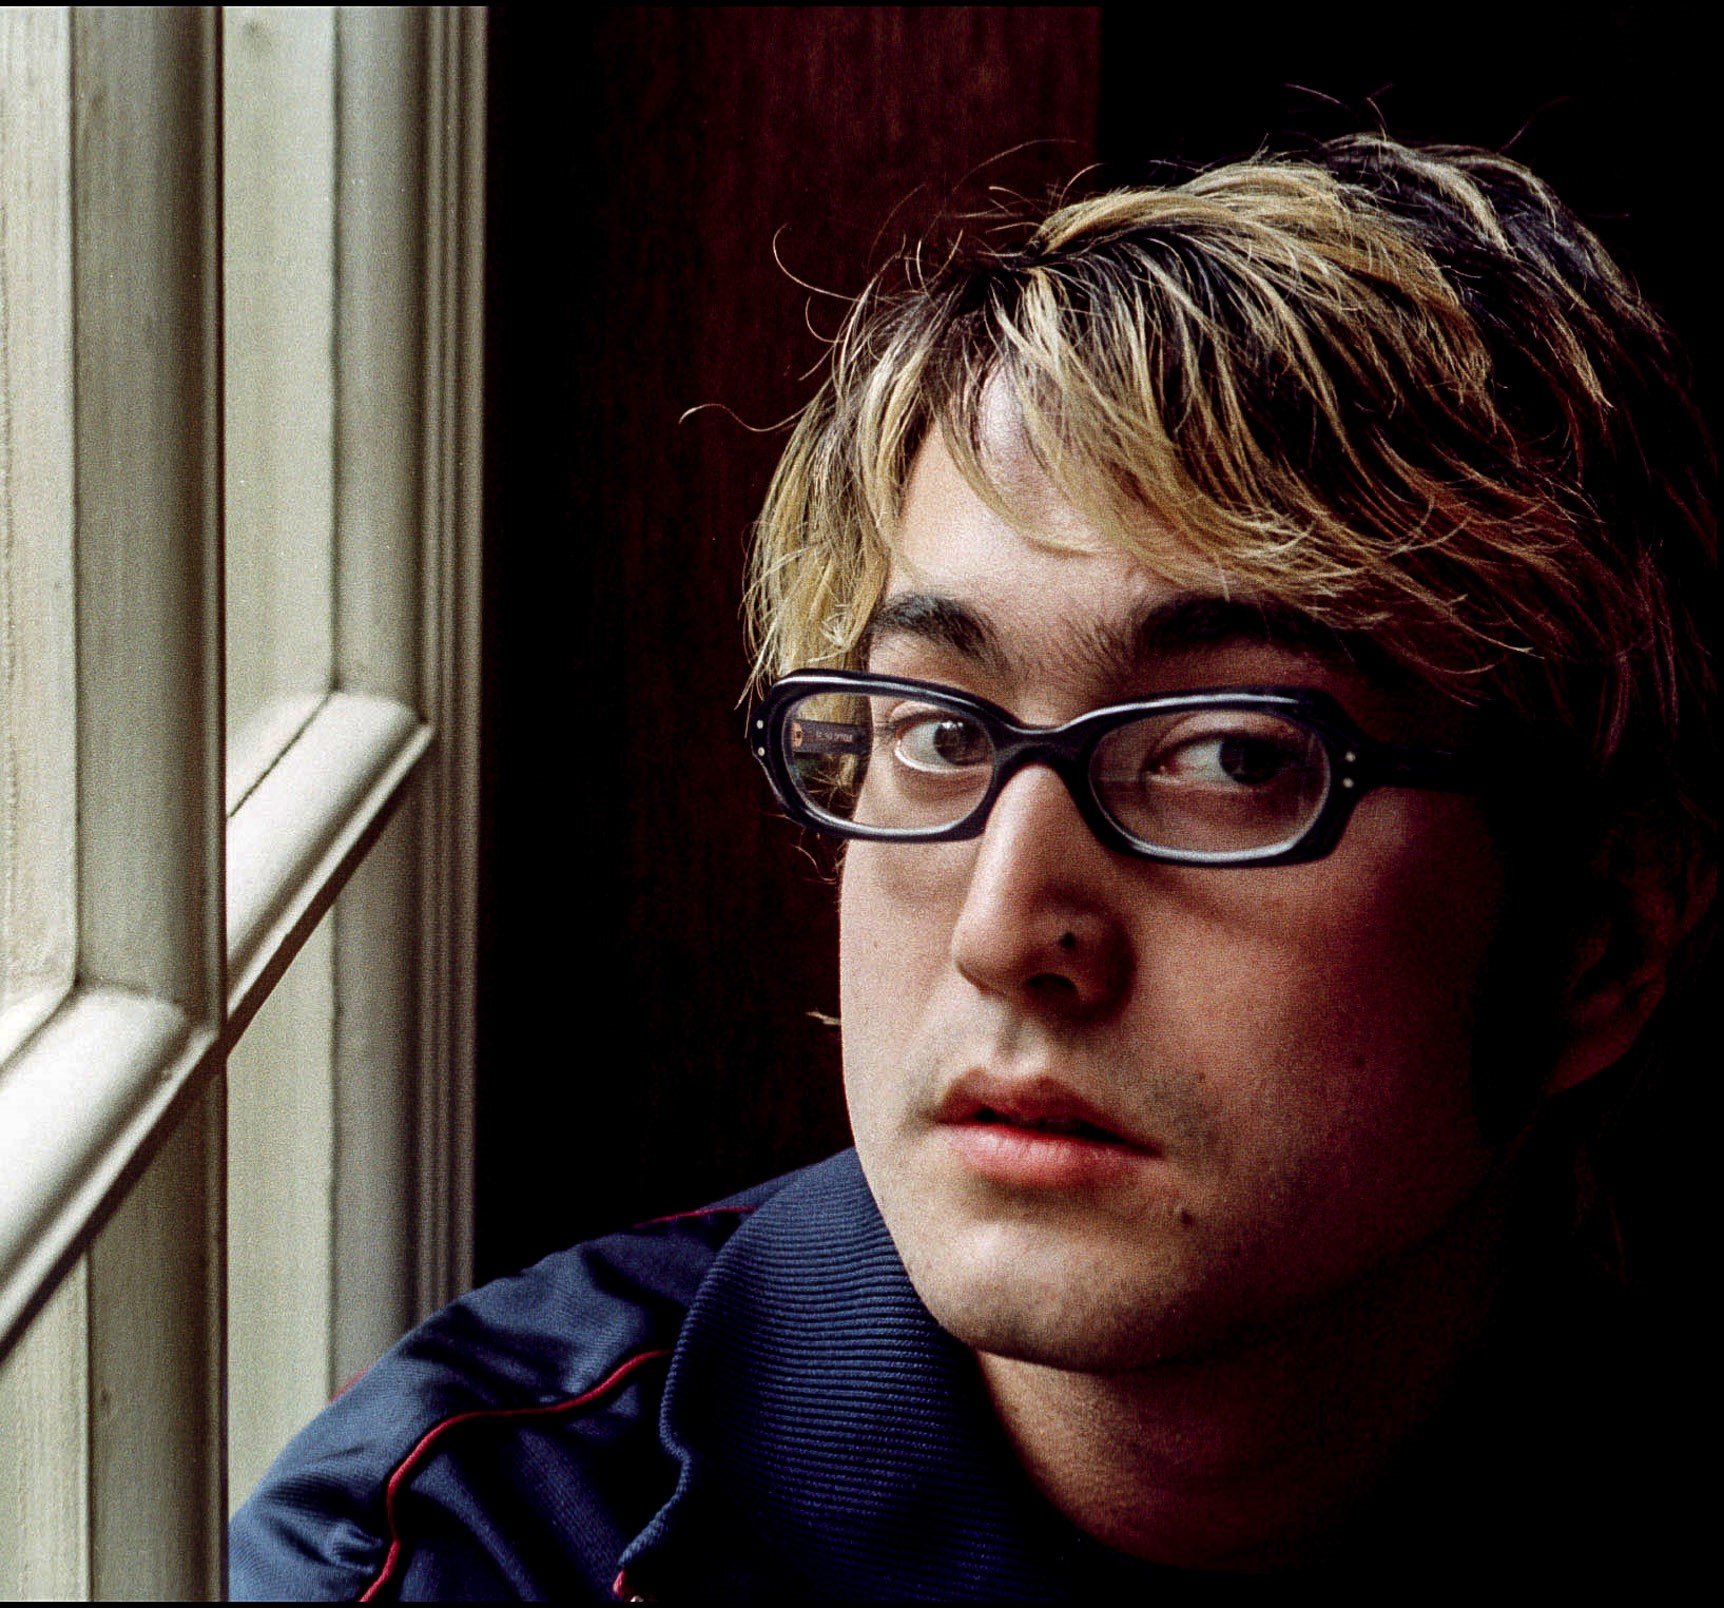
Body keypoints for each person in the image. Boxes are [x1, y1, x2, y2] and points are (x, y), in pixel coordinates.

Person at [230, 134, 1717, 1598]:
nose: (1007, 930)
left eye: (1233, 756)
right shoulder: (461, 1546)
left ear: (1599, 942)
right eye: (938, 730)